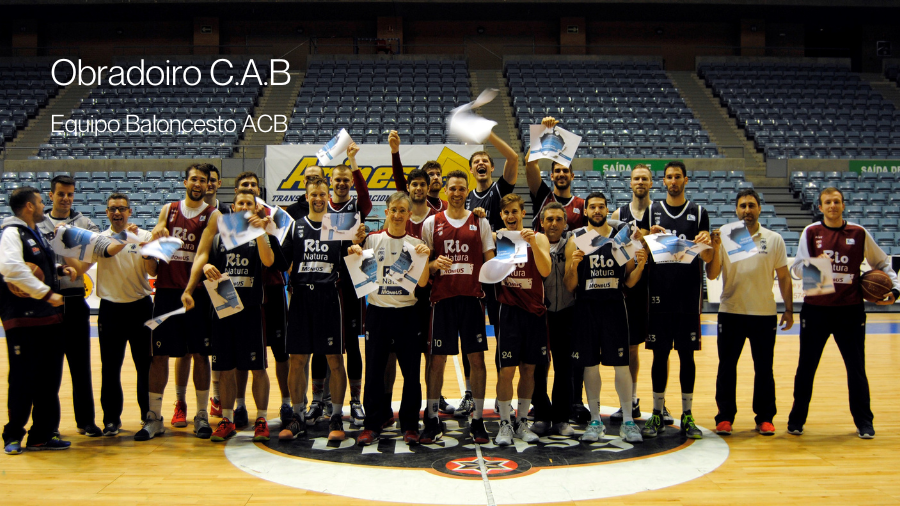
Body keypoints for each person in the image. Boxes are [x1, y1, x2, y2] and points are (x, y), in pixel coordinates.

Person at [786, 187, 899, 439]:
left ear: (843, 205)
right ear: (820, 206)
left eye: (836, 201)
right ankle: (796, 419)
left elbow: (882, 263)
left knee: (856, 368)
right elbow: (795, 269)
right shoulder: (811, 232)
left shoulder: (859, 233)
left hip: (850, 311)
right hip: (816, 310)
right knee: (806, 367)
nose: (832, 206)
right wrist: (816, 266)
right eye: (828, 202)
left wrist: (896, 290)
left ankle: (864, 422)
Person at [137, 164, 220, 441]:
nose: (198, 184)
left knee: (200, 354)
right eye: (194, 179)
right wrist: (150, 245)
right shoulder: (168, 210)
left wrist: (189, 288)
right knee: (159, 355)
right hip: (166, 292)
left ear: (209, 185)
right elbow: (152, 268)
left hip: (195, 293)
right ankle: (154, 417)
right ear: (185, 181)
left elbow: (202, 254)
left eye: (203, 180)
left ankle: (200, 415)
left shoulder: (213, 214)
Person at [188, 189, 276, 443]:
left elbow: (268, 262)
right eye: (240, 203)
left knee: (258, 367)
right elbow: (205, 260)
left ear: (254, 207)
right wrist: (205, 265)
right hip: (224, 307)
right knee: (225, 368)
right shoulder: (220, 238)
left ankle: (261, 419)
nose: (244, 206)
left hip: (251, 309)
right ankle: (227, 418)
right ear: (233, 207)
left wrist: (260, 232)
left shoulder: (260, 233)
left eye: (249, 203)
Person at [704, 188, 793, 436]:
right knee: (727, 367)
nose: (747, 210)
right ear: (736, 209)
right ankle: (724, 417)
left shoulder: (774, 239)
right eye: (742, 205)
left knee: (764, 368)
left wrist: (788, 309)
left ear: (759, 209)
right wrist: (715, 248)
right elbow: (712, 274)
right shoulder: (726, 235)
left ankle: (764, 417)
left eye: (751, 205)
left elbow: (785, 277)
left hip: (764, 314)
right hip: (731, 311)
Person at [277, 176, 358, 442]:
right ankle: (297, 417)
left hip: (328, 298)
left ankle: (336, 415)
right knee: (298, 360)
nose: (319, 198)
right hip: (300, 297)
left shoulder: (339, 226)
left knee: (335, 359)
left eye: (323, 193)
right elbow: (280, 263)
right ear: (307, 196)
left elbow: (352, 257)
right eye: (314, 194)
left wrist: (358, 245)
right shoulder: (295, 227)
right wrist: (267, 236)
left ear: (328, 196)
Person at [348, 192, 432, 446]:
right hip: (378, 314)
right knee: (373, 372)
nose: (397, 214)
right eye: (393, 209)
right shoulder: (372, 240)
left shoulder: (415, 243)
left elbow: (425, 281)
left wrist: (425, 256)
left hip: (408, 314)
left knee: (411, 374)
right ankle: (372, 423)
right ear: (386, 213)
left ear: (409, 214)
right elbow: (358, 269)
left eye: (402, 210)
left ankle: (409, 424)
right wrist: (354, 248)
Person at [637, 161, 713, 440]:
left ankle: (687, 414)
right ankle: (657, 412)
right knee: (659, 354)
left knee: (686, 355)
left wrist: (707, 243)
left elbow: (707, 257)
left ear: (686, 179)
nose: (673, 181)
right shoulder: (653, 211)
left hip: (688, 293)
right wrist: (648, 237)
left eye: (677, 176)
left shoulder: (699, 212)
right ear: (663, 181)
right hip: (659, 292)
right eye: (668, 177)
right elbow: (641, 249)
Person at [564, 191, 647, 444]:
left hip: (614, 307)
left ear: (606, 210)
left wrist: (641, 265)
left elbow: (630, 281)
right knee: (590, 365)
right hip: (586, 307)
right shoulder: (575, 239)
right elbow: (569, 286)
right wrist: (573, 266)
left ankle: (629, 421)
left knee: (621, 365)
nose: (597, 211)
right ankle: (596, 420)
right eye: (592, 207)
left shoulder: (622, 239)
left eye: (601, 206)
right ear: (586, 211)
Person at [421, 170, 496, 444]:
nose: (456, 192)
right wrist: (433, 265)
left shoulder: (480, 222)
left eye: (461, 188)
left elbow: (490, 262)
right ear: (445, 191)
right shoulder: (432, 223)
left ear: (467, 191)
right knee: (436, 360)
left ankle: (478, 421)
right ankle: (431, 418)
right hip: (442, 301)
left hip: (472, 300)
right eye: (452, 188)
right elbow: (424, 266)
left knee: (477, 360)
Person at [1, 187, 76, 454]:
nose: (44, 205)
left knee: (48, 380)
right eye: (41, 201)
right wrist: (45, 293)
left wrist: (57, 269)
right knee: (22, 379)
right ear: (30, 206)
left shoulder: (33, 232)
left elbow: (35, 263)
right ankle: (13, 435)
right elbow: (11, 268)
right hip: (24, 319)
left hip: (48, 320)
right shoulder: (12, 232)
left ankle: (41, 435)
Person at [387, 132, 454, 416]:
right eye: (413, 184)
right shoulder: (398, 217)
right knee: (393, 354)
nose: (417, 188)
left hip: (428, 294)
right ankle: (386, 404)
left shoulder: (437, 219)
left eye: (422, 184)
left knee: (430, 352)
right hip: (397, 297)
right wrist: (395, 153)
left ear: (428, 188)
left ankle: (433, 402)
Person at [306, 144, 372, 428]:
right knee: (319, 345)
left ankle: (355, 401)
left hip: (351, 284)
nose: (343, 183)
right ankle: (318, 400)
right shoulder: (321, 207)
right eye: (338, 179)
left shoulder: (356, 206)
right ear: (329, 183)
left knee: (352, 345)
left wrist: (353, 162)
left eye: (347, 179)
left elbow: (366, 196)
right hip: (323, 283)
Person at [36, 174, 102, 437]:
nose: (66, 198)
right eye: (61, 193)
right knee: (47, 369)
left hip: (75, 301)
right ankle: (48, 426)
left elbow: (97, 249)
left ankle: (86, 421)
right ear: (50, 195)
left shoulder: (84, 223)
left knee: (80, 366)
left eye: (70, 194)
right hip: (47, 302)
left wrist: (79, 268)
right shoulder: (38, 222)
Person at [463, 132, 519, 417]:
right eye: (477, 161)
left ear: (491, 168)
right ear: (472, 169)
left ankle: (501, 393)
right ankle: (470, 394)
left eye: (486, 160)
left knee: (501, 334)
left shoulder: (498, 190)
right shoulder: (464, 197)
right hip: (471, 276)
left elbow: (513, 157)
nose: (482, 163)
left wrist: (489, 136)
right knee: (469, 337)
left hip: (498, 275)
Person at [94, 193, 158, 436]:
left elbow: (153, 271)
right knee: (110, 368)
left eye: (121, 208)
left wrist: (146, 251)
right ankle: (111, 420)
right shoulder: (100, 239)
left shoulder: (145, 236)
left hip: (141, 308)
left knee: (146, 367)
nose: (117, 213)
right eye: (112, 209)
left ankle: (148, 417)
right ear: (107, 213)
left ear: (130, 211)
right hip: (110, 309)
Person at [491, 194, 551, 445]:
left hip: (535, 312)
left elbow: (546, 271)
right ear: (502, 216)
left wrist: (533, 245)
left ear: (522, 212)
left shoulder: (537, 237)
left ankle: (522, 421)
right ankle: (505, 422)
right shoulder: (497, 238)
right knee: (506, 370)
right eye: (506, 213)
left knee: (529, 370)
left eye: (515, 211)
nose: (511, 216)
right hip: (510, 311)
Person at [609, 164, 654, 423]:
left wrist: (646, 235)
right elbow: (616, 248)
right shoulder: (619, 213)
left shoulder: (658, 212)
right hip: (630, 284)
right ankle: (633, 399)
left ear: (651, 183)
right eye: (636, 178)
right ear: (629, 183)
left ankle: (660, 403)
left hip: (655, 282)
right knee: (631, 346)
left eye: (644, 179)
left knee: (660, 348)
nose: (640, 182)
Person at [530, 203, 577, 436]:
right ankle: (541, 413)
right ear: (541, 222)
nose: (554, 223)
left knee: (564, 367)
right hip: (540, 313)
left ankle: (561, 417)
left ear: (565, 223)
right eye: (549, 219)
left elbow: (611, 226)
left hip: (567, 311)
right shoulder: (533, 242)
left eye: (559, 219)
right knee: (539, 366)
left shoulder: (573, 242)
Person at [524, 117, 585, 233]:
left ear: (572, 176)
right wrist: (542, 130)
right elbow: (530, 163)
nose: (561, 174)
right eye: (557, 171)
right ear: (551, 176)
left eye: (565, 171)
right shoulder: (543, 196)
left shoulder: (582, 204)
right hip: (542, 251)